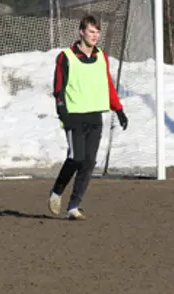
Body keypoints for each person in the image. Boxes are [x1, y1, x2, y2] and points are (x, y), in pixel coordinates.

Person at [48, 15, 129, 220]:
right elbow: (59, 87)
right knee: (76, 157)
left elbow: (108, 85)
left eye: (98, 32)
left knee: (89, 162)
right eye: (91, 31)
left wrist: (118, 109)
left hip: (95, 116)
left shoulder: (101, 56)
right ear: (81, 32)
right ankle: (57, 191)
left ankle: (74, 206)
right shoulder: (66, 56)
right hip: (73, 115)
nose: (95, 36)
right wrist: (62, 111)